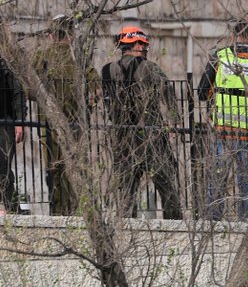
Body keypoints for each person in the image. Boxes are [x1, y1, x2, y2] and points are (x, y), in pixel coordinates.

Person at [101, 25, 182, 219]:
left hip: (122, 137)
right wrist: (173, 122)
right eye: (144, 45)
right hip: (151, 135)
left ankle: (127, 227)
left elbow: (106, 102)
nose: (146, 49)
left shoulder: (106, 71)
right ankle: (174, 224)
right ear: (136, 44)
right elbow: (167, 95)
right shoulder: (150, 68)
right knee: (167, 183)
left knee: (127, 190)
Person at [199, 20, 248, 220]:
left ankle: (213, 220)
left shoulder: (221, 57)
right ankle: (246, 221)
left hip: (223, 131)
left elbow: (201, 92)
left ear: (233, 38)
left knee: (218, 177)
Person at [31, 14, 99, 215]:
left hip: (47, 123)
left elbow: (29, 90)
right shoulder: (79, 58)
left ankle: (57, 210)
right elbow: (95, 89)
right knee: (75, 166)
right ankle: (76, 211)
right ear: (70, 34)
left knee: (53, 166)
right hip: (75, 123)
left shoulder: (41, 57)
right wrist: (87, 109)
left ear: (51, 35)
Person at [0, 57, 25, 215]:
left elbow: (18, 93)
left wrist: (19, 121)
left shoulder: (5, 66)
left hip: (4, 122)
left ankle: (12, 207)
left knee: (3, 166)